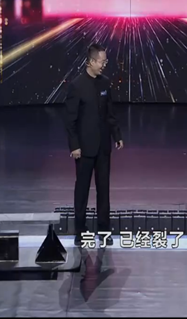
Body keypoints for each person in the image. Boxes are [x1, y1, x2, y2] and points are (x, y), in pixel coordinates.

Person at [65, 43, 124, 247]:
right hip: (84, 149)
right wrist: (74, 146)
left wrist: (117, 135)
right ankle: (80, 231)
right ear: (90, 62)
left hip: (103, 148)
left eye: (105, 62)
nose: (104, 65)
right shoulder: (77, 85)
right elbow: (70, 120)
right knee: (82, 191)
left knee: (103, 190)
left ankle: (104, 231)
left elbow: (110, 113)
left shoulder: (105, 83)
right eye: (101, 62)